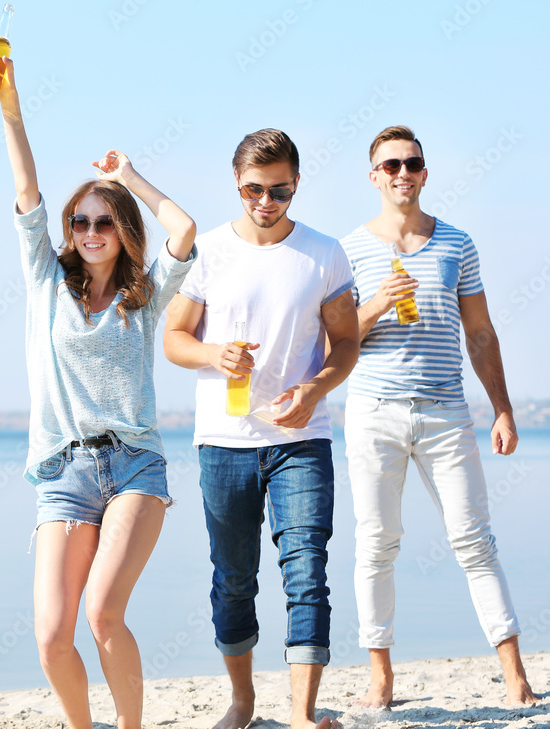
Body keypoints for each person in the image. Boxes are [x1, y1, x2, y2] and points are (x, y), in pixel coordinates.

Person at [0, 53, 196, 729]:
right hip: (63, 470)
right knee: (52, 636)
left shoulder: (144, 295)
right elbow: (25, 187)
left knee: (103, 609)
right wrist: (9, 103)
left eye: (104, 221)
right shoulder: (47, 283)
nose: (88, 232)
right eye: (80, 222)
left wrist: (126, 176)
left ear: (121, 232)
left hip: (135, 462)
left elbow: (184, 230)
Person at [164, 129, 359, 729]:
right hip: (223, 442)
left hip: (301, 439)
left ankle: (301, 713)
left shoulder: (324, 252)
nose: (266, 202)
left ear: (296, 184)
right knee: (233, 580)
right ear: (237, 183)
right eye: (254, 189)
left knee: (306, 568)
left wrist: (316, 388)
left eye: (279, 190)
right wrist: (213, 354)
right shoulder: (212, 251)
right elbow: (173, 339)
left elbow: (347, 342)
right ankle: (243, 701)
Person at [339, 124, 537, 709]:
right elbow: (333, 344)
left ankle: (516, 674)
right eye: (392, 165)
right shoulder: (347, 250)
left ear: (425, 172)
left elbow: (479, 333)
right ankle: (381, 676)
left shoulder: (457, 244)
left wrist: (501, 408)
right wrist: (374, 303)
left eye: (413, 164)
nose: (404, 173)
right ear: (373, 176)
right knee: (376, 544)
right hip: (373, 411)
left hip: (447, 411)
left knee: (474, 540)